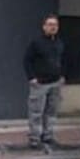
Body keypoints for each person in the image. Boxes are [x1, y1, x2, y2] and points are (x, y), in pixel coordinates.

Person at [23, 15, 65, 149]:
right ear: (44, 26)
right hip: (40, 83)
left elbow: (64, 60)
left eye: (55, 25)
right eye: (50, 24)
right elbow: (27, 60)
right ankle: (34, 137)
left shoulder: (59, 43)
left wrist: (62, 76)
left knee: (52, 111)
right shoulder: (36, 43)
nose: (53, 27)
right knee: (36, 111)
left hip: (55, 82)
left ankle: (48, 135)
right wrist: (32, 78)